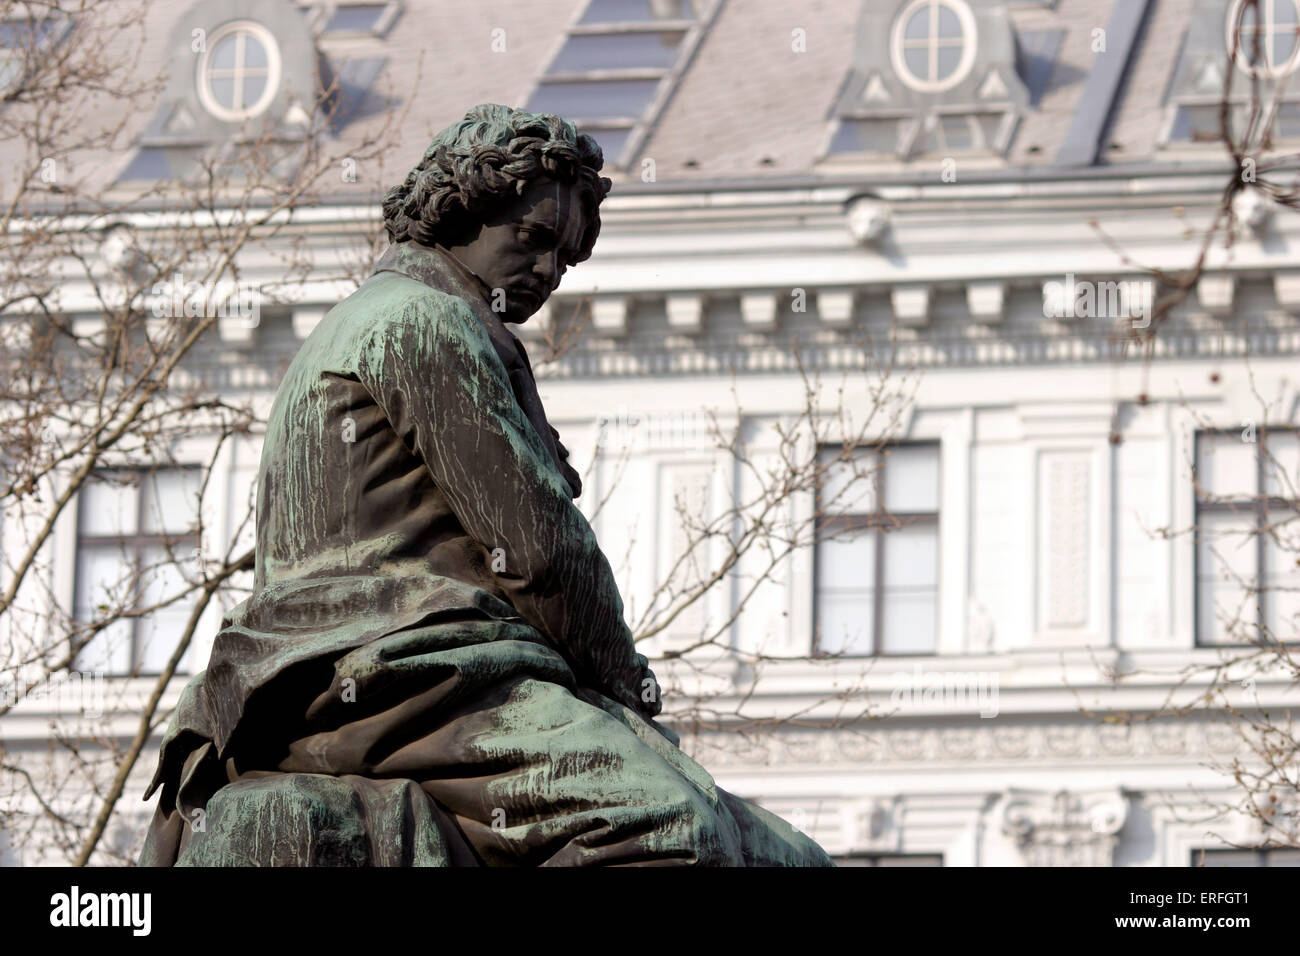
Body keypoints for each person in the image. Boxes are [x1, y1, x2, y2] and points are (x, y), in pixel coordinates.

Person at [139, 104, 833, 867]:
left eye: (565, 259)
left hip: (444, 676)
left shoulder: (428, 323)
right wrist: (628, 688)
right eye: (532, 239)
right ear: (459, 211)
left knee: (791, 857)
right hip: (387, 674)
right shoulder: (417, 321)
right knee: (670, 826)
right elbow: (538, 548)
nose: (545, 272)